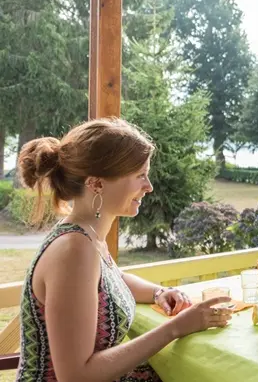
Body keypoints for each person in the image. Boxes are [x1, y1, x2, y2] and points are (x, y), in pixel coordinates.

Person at [15, 118, 232, 382]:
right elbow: (75, 376)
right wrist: (176, 328)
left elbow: (109, 279)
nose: (148, 186)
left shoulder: (86, 235)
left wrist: (159, 292)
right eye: (139, 175)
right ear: (96, 184)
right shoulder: (74, 250)